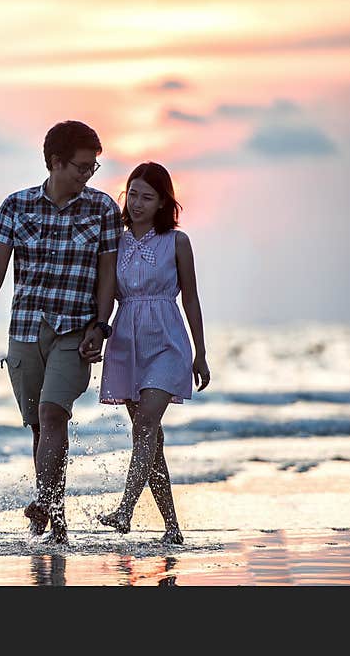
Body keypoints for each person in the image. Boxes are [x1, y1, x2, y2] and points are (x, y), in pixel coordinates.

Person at [0, 120, 122, 545]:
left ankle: (45, 505)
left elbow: (107, 276)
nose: (88, 175)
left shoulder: (102, 209)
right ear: (55, 163)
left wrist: (100, 324)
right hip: (25, 327)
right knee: (40, 427)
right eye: (81, 167)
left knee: (53, 413)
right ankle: (54, 520)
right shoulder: (16, 206)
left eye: (93, 168)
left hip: (75, 330)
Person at [97, 161, 210, 545]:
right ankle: (173, 528)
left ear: (163, 202)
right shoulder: (115, 239)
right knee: (150, 438)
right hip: (126, 342)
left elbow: (191, 299)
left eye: (148, 197)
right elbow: (105, 295)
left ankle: (125, 510)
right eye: (133, 194)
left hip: (167, 341)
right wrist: (93, 334)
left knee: (145, 425)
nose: (139, 203)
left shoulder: (177, 242)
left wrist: (201, 352)